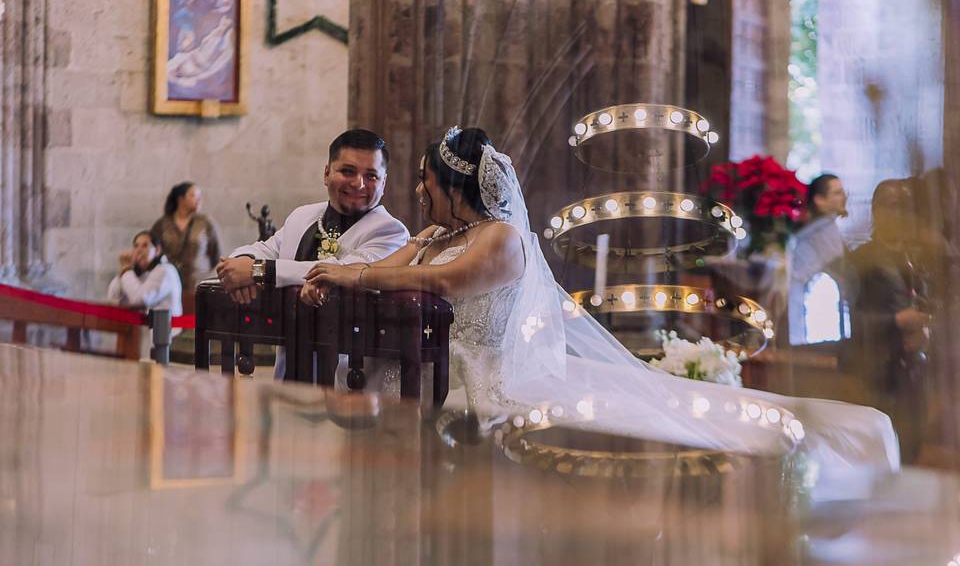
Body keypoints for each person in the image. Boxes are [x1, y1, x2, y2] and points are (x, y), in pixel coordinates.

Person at [301, 127, 900, 483]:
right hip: (421, 365)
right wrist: (337, 273)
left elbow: (442, 284)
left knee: (679, 415)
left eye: (427, 182)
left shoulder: (502, 239)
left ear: (455, 188)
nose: (418, 192)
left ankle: (827, 439)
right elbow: (389, 269)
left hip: (484, 375)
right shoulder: (434, 235)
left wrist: (351, 276)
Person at [217, 129, 410, 377]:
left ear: (384, 183)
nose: (358, 184)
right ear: (327, 173)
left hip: (350, 381)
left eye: (371, 175)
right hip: (289, 372)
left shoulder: (390, 232)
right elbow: (266, 249)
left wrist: (257, 272)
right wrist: (242, 261)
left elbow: (339, 272)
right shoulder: (303, 215)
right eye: (348, 171)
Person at [850, 179, 931, 462]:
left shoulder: (916, 260)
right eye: (893, 206)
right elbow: (850, 322)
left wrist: (926, 328)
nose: (900, 215)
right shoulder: (860, 259)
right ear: (876, 211)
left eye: (906, 207)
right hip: (876, 373)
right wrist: (895, 320)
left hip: (914, 374)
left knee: (912, 453)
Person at [789, 173, 852, 345]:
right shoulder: (822, 232)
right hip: (815, 312)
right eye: (837, 193)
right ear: (819, 200)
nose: (844, 197)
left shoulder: (822, 228)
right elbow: (844, 272)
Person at [152, 182, 221, 314]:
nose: (199, 200)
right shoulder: (162, 224)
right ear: (181, 199)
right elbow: (153, 254)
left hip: (199, 286)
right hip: (169, 287)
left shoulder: (205, 223)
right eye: (194, 195)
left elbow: (216, 255)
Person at [107, 230, 183, 316]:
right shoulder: (141, 272)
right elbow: (113, 297)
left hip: (165, 328)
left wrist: (127, 269)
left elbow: (140, 299)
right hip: (145, 327)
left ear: (157, 250)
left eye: (145, 245)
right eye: (136, 246)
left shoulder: (165, 270)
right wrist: (125, 269)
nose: (139, 250)